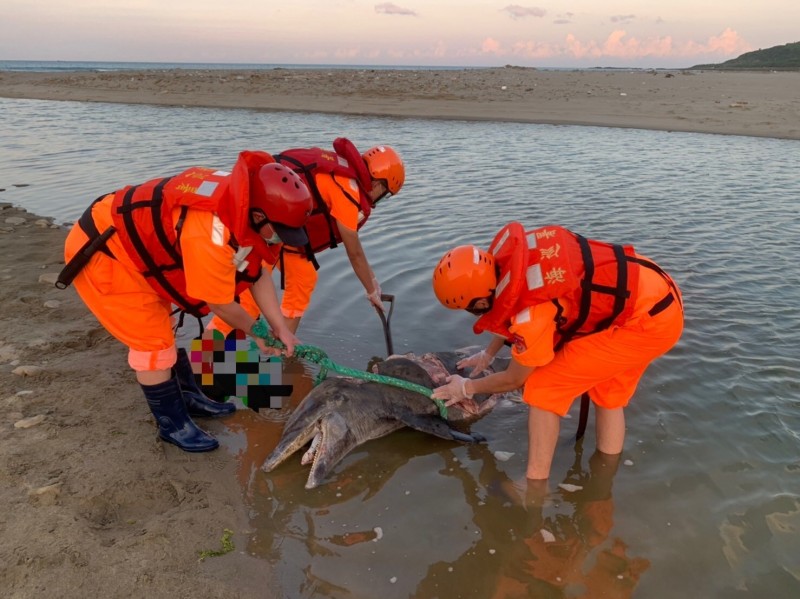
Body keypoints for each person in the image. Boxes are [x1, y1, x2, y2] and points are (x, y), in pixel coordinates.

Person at [58, 151, 313, 453]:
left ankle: (189, 397)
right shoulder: (210, 233)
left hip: (136, 249)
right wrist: (259, 334)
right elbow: (219, 304)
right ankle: (172, 425)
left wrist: (279, 327)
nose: (281, 240)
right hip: (104, 252)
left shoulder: (243, 205)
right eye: (280, 232)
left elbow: (257, 274)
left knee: (164, 331)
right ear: (258, 216)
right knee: (152, 345)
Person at [430, 221, 684, 480]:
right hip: (654, 292)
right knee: (608, 391)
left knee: (543, 386)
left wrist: (465, 388)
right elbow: (509, 306)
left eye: (471, 309)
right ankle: (604, 476)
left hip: (645, 323)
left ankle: (533, 486)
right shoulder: (510, 263)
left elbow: (515, 378)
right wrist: (488, 354)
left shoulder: (531, 316)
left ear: (481, 301)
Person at [206, 138, 405, 336]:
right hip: (268, 231)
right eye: (385, 194)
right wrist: (371, 290)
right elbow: (354, 253)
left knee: (304, 277)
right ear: (379, 184)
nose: (380, 199)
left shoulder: (341, 171)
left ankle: (283, 348)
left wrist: (373, 281)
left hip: (285, 234)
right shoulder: (348, 191)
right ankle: (205, 359)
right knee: (249, 302)